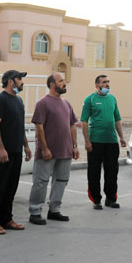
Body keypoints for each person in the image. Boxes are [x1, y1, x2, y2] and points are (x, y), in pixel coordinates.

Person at [28, 72, 80, 225]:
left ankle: (54, 210)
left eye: (64, 80)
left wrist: (75, 146)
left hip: (65, 151)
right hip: (47, 152)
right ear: (52, 84)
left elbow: (72, 126)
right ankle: (35, 212)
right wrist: (44, 149)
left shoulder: (66, 104)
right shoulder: (43, 103)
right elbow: (39, 127)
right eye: (61, 81)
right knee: (41, 181)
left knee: (61, 180)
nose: (64, 83)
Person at [0, 70, 32, 235]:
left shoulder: (18, 100)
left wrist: (25, 146)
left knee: (11, 187)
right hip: (2, 152)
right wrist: (1, 148)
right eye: (20, 79)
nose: (22, 82)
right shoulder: (0, 100)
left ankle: (7, 219)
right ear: (11, 81)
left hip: (16, 151)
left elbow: (19, 126)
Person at [81, 74, 126, 210]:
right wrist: (87, 141)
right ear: (97, 85)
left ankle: (111, 199)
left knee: (112, 172)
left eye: (108, 82)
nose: (107, 84)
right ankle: (96, 200)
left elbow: (117, 119)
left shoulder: (112, 99)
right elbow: (84, 121)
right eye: (104, 82)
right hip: (95, 142)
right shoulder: (90, 100)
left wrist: (121, 137)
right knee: (94, 172)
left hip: (111, 142)